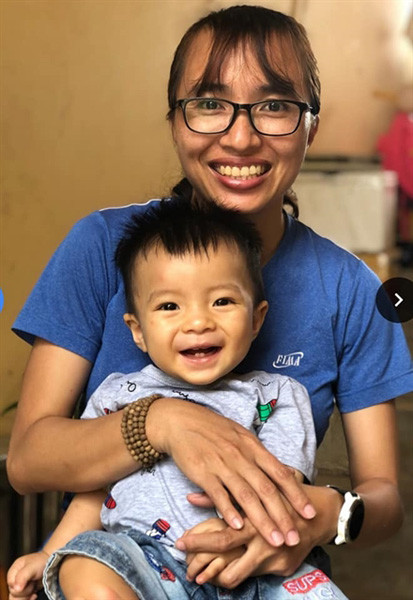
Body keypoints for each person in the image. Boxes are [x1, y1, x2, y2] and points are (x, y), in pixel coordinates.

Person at [7, 3, 412, 593]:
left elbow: (385, 500)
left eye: (274, 106)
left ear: (311, 126)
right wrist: (163, 421)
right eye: (209, 104)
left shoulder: (350, 290)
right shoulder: (101, 247)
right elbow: (27, 462)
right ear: (175, 120)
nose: (241, 138)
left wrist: (325, 515)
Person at [8, 200, 351, 600]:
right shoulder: (119, 395)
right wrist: (50, 553)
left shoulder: (275, 397)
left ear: (257, 318)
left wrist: (242, 531)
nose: (198, 322)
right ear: (137, 330)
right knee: (82, 567)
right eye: (170, 306)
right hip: (141, 559)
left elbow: (284, 486)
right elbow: (94, 492)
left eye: (222, 301)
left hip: (247, 561)